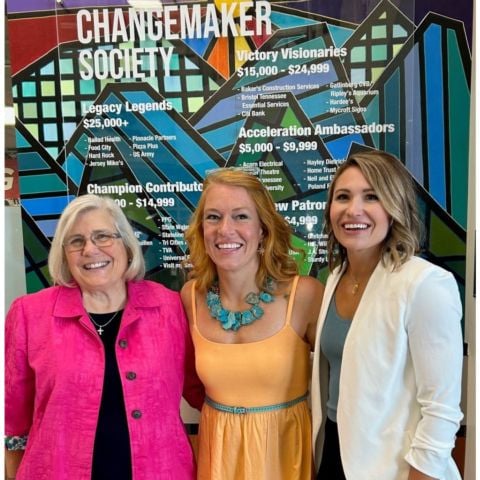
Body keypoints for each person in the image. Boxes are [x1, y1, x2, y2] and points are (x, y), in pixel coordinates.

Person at [5, 194, 204, 480]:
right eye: (76, 241)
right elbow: (13, 418)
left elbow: (201, 390)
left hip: (162, 470)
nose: (90, 249)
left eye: (102, 236)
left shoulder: (169, 307)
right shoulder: (29, 314)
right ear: (64, 254)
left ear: (126, 244)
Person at [311, 150, 463, 480]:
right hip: (335, 454)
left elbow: (441, 409)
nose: (354, 210)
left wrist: (421, 474)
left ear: (394, 208)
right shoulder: (335, 276)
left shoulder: (425, 284)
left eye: (372, 197)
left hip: (392, 467)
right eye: (343, 197)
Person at [181, 168, 324, 480]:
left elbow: (341, 379)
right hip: (217, 458)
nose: (225, 229)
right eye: (213, 217)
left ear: (263, 229)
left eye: (241, 216)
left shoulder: (304, 296)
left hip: (284, 456)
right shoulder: (190, 298)